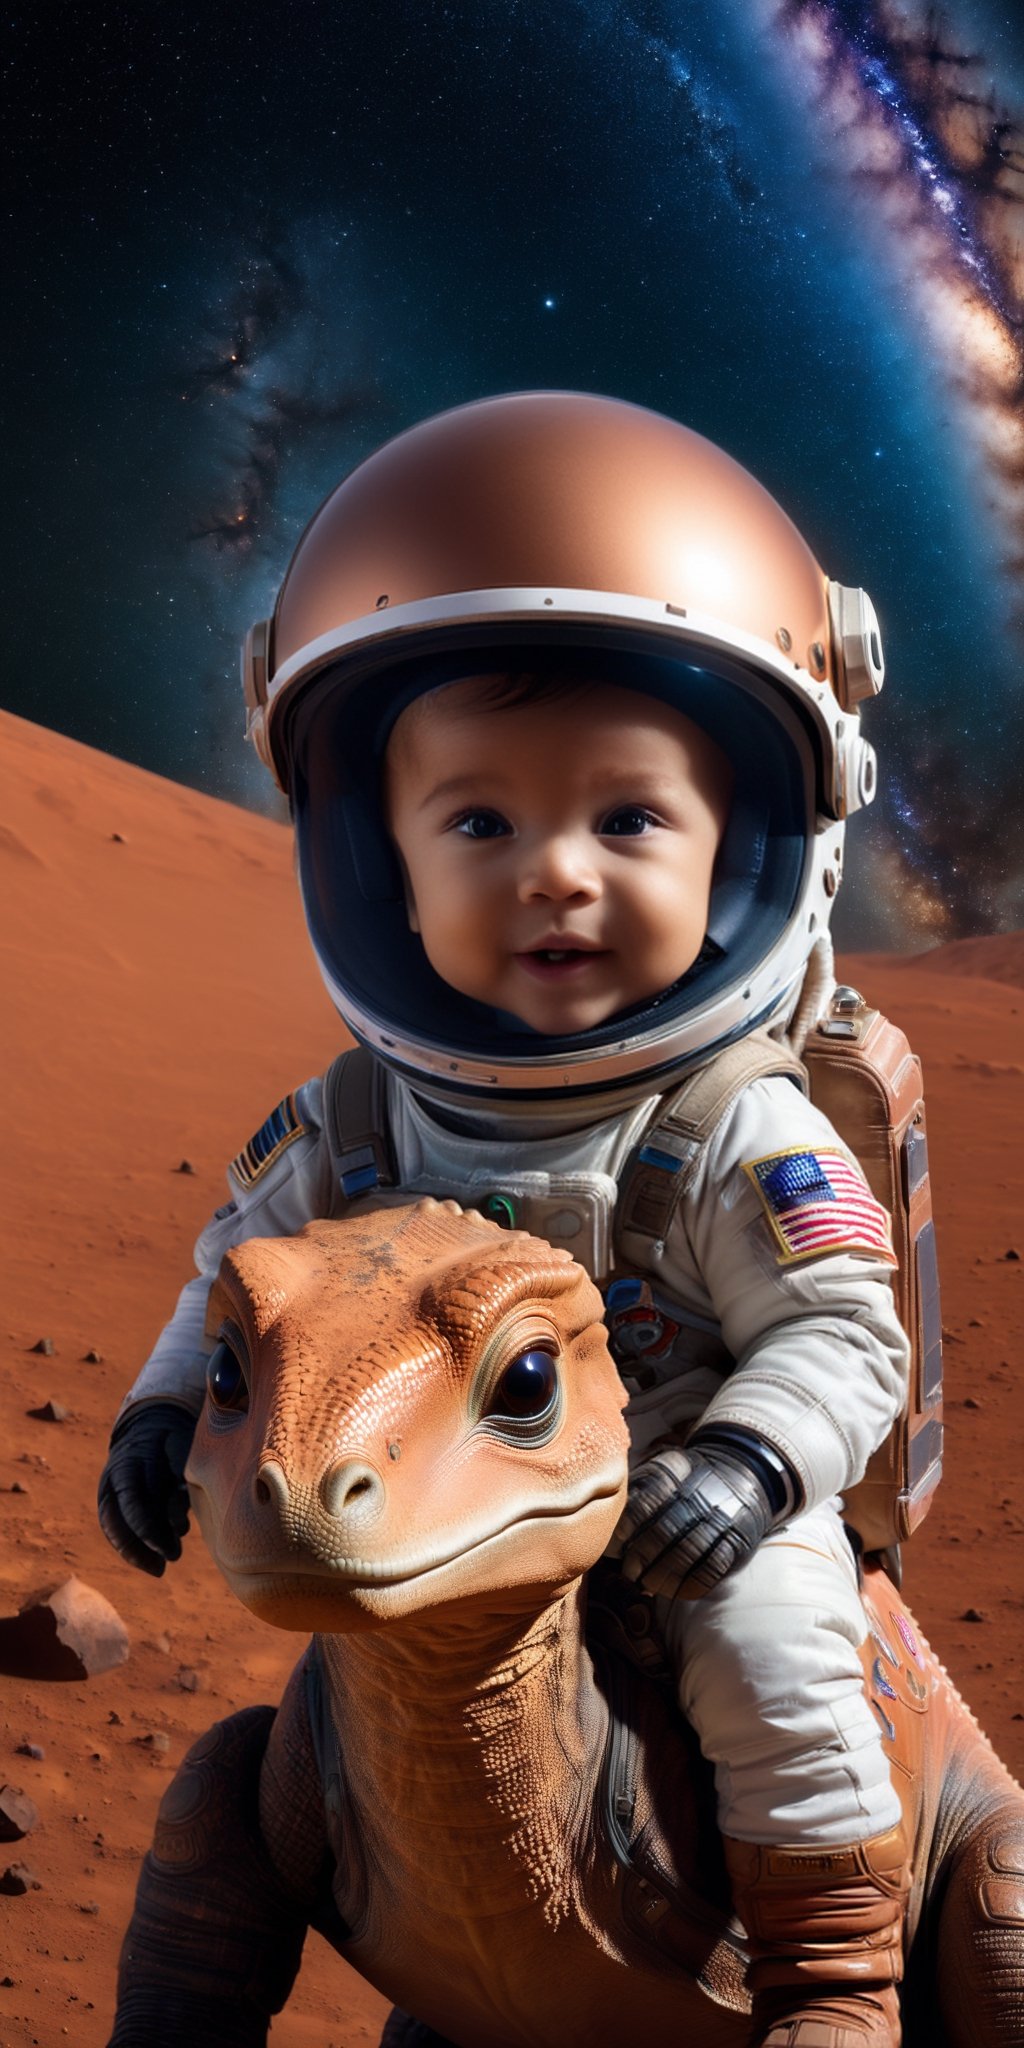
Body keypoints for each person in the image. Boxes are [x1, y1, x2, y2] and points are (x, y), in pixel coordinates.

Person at [99, 391, 913, 2047]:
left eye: (628, 819)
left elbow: (843, 1332)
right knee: (304, 1736)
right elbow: (240, 1287)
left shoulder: (731, 1129)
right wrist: (162, 1408)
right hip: (450, 1512)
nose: (554, 872)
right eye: (479, 822)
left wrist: (751, 1465)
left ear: (759, 842)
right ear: (372, 855)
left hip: (695, 1502)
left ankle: (834, 1972)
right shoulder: (357, 1119)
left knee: (776, 1654)